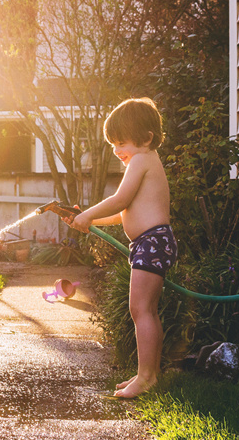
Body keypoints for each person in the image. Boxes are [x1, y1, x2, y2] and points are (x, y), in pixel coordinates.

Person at [65, 97, 177, 399]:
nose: (117, 151)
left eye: (121, 143)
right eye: (112, 144)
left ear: (146, 138)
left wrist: (88, 214)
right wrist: (89, 219)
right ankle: (147, 374)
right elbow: (123, 213)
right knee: (145, 310)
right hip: (150, 242)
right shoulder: (145, 160)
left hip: (152, 242)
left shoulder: (142, 160)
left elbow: (120, 200)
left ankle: (146, 377)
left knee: (141, 310)